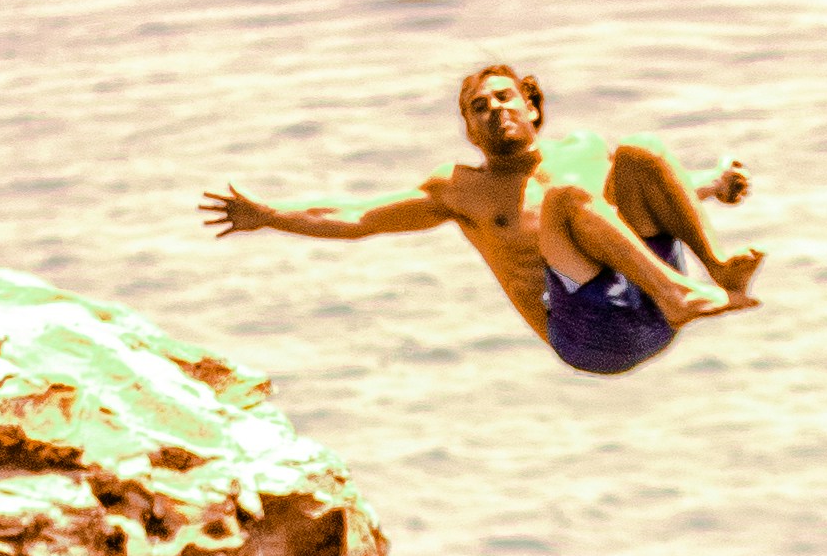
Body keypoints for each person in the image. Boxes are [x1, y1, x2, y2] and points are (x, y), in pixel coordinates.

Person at [200, 58, 760, 378]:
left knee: (643, 148)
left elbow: (636, 207)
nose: (495, 110)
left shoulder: (587, 147)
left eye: (504, 98)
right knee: (566, 199)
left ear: (533, 107)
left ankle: (717, 271)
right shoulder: (462, 190)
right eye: (479, 107)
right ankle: (680, 294)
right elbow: (356, 216)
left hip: (652, 307)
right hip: (594, 336)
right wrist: (268, 215)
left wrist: (711, 185)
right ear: (469, 130)